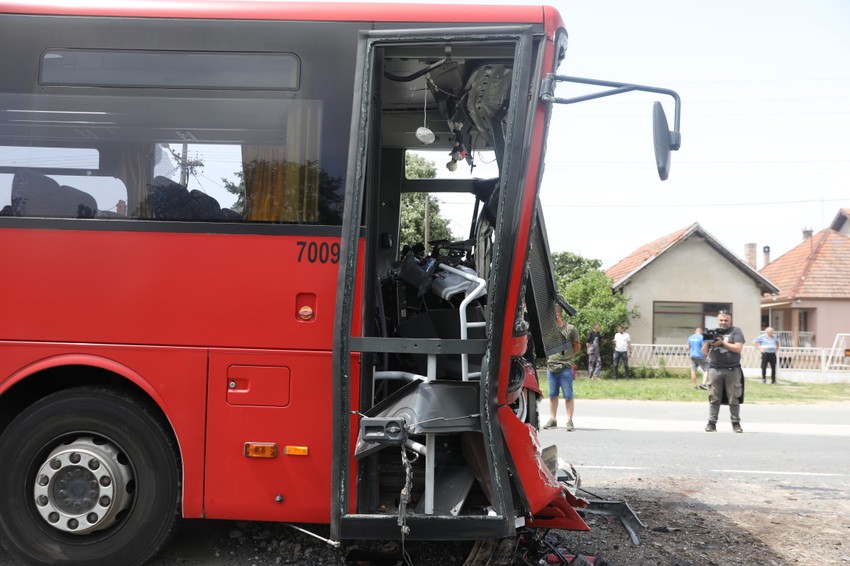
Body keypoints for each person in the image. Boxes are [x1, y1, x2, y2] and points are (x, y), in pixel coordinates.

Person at [702, 310, 745, 433]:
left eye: (726, 320)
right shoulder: (712, 332)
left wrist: (722, 343)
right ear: (718, 320)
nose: (723, 322)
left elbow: (738, 348)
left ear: (730, 320)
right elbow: (704, 353)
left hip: (732, 369)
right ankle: (711, 423)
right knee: (714, 397)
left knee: (734, 397)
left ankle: (735, 423)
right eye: (721, 320)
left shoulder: (736, 331)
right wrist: (707, 341)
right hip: (714, 369)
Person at [543, 306, 580, 431]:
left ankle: (569, 421)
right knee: (552, 395)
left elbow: (577, 347)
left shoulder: (571, 329)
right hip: (551, 367)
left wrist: (568, 358)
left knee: (568, 396)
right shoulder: (548, 330)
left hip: (565, 368)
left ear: (558, 315)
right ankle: (552, 419)